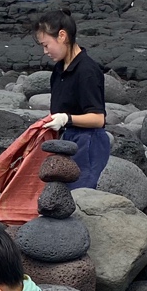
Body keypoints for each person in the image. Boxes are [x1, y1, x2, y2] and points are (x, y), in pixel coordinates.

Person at [34, 10, 110, 189]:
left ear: (62, 36)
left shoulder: (87, 71)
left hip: (89, 142)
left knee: (80, 195)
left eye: (46, 45)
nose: (45, 51)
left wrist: (66, 118)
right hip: (67, 138)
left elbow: (98, 119)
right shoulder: (59, 69)